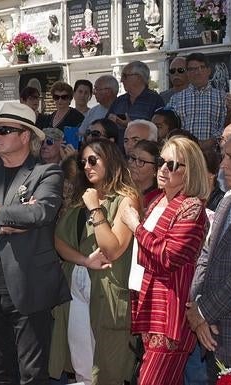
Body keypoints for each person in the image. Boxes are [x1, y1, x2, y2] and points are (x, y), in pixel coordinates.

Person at [0, 102, 71, 385]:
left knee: (32, 376)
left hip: (30, 286)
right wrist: (0, 230)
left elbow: (38, 213)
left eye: (3, 130)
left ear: (25, 136)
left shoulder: (47, 173)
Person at [122, 136, 210, 385]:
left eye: (172, 165)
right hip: (148, 305)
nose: (162, 169)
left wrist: (135, 226)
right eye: (161, 161)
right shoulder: (158, 201)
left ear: (189, 171)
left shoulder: (191, 207)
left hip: (171, 312)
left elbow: (168, 256)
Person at [54, 138, 139, 384]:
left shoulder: (126, 199)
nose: (87, 167)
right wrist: (83, 260)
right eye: (83, 163)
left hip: (109, 298)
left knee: (108, 371)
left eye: (93, 160)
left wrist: (95, 209)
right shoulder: (84, 199)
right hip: (78, 292)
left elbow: (112, 249)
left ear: (110, 161)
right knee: (82, 369)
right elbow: (58, 241)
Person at [187, 131, 231, 383]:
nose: (222, 165)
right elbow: (206, 256)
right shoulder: (228, 200)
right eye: (223, 156)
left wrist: (202, 312)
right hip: (214, 335)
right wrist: (195, 308)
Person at [168, 52, 226, 141]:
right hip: (185, 151)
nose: (197, 72)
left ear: (209, 70)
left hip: (213, 151)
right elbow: (170, 126)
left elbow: (226, 125)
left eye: (201, 67)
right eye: (192, 69)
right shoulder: (176, 99)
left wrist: (211, 142)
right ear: (187, 72)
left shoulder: (222, 97)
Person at [107, 61, 164, 129]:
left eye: (125, 76)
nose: (121, 80)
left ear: (139, 77)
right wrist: (110, 123)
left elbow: (160, 130)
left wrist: (131, 125)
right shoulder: (119, 101)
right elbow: (106, 126)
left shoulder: (155, 100)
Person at [127, 139, 161, 208]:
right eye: (133, 158)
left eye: (141, 161)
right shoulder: (123, 191)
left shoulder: (158, 200)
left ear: (155, 170)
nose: (133, 165)